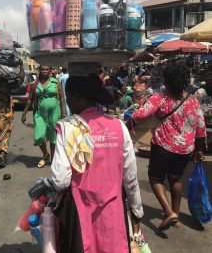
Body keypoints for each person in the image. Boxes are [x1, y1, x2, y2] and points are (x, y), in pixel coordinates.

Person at [48, 74, 144, 252]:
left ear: (76, 97)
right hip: (113, 212)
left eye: (67, 96)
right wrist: (137, 210)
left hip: (80, 215)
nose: (67, 102)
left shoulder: (68, 127)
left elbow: (61, 180)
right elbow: (130, 177)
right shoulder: (119, 126)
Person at [132, 64, 206, 230]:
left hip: (163, 147)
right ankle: (176, 214)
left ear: (166, 81)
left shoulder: (161, 98)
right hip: (185, 149)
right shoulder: (193, 101)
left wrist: (131, 120)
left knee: (155, 178)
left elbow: (141, 114)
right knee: (176, 178)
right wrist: (199, 149)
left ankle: (168, 211)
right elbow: (201, 127)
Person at [21, 65, 66, 168]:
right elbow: (30, 100)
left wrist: (63, 112)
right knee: (39, 136)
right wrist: (24, 113)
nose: (44, 71)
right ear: (39, 71)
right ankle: (45, 154)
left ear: (50, 70)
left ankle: (54, 159)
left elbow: (62, 98)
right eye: (42, 69)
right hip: (40, 113)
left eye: (47, 69)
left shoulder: (55, 82)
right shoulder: (34, 84)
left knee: (53, 137)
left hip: (54, 113)